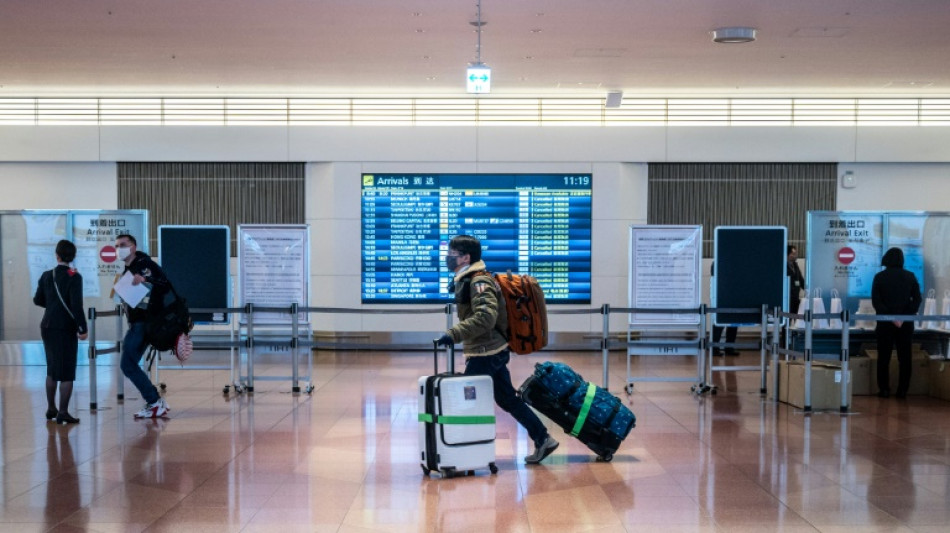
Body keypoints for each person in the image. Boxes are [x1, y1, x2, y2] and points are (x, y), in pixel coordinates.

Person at [436, 235, 559, 464]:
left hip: (486, 352)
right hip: (489, 350)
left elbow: (485, 318)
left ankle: (463, 453)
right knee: (507, 399)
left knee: (467, 400)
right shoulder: (468, 278)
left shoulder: (478, 281)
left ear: (465, 257)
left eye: (452, 254)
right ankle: (543, 438)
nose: (447, 258)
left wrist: (454, 334)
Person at [115, 234, 172, 418]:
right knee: (128, 363)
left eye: (122, 245)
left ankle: (155, 402)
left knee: (127, 364)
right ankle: (155, 401)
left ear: (133, 247)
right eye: (117, 245)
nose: (119, 248)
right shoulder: (130, 268)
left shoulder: (144, 265)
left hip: (144, 322)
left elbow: (165, 284)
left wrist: (145, 280)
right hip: (138, 322)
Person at [33, 239, 88, 425]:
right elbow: (76, 305)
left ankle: (51, 408)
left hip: (47, 326)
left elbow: (37, 300)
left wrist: (52, 307)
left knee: (52, 368)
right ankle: (63, 412)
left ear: (57, 255)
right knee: (66, 371)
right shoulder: (75, 277)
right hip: (65, 328)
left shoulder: (46, 275)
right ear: (73, 257)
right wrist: (82, 328)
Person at [871, 247, 922, 399]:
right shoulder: (910, 276)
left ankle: (884, 389)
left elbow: (876, 301)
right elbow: (917, 299)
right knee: (905, 357)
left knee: (884, 357)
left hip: (885, 323)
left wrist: (891, 316)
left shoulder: (879, 277)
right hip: (905, 323)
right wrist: (904, 316)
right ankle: (902, 390)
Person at [710, 261, 739, 356]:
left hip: (730, 295)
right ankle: (716, 347)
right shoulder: (718, 262)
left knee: (733, 323)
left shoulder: (723, 262)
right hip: (722, 296)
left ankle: (728, 347)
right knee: (720, 322)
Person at [787, 245, 805, 315]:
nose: (796, 256)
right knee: (787, 317)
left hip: (796, 296)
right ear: (788, 254)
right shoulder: (783, 266)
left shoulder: (795, 265)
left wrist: (807, 289)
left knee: (797, 318)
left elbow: (800, 279)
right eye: (793, 254)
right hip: (788, 297)